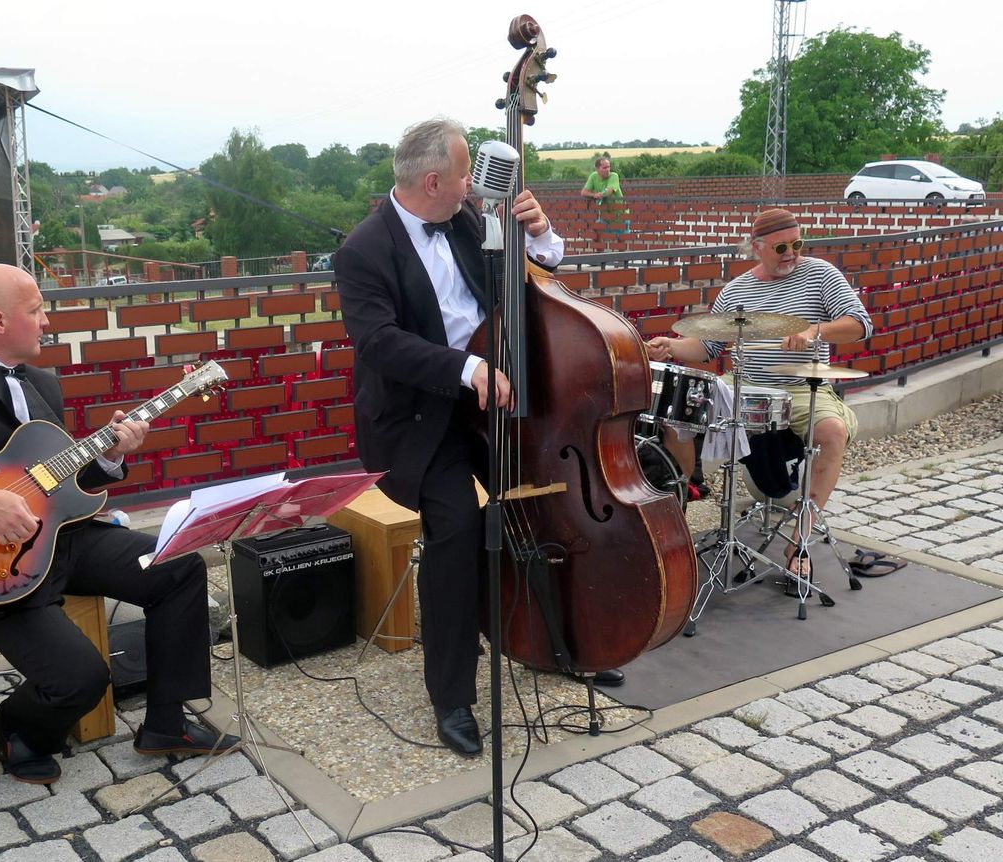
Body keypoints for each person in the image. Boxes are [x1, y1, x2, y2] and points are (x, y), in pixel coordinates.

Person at [0, 263, 236, 785]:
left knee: (179, 566)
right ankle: (18, 727)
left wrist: (109, 457)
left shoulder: (40, 383)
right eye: (36, 310)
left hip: (60, 540)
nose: (47, 322)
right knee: (83, 680)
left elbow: (54, 483)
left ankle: (166, 725)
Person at [336, 118, 620, 758]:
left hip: (496, 401)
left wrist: (538, 233)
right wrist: (466, 369)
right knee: (458, 528)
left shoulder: (466, 217)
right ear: (434, 181)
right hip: (421, 419)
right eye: (465, 174)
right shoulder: (363, 250)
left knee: (541, 510)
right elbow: (380, 344)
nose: (475, 184)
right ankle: (452, 696)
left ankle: (562, 645)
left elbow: (533, 279)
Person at [646, 208, 873, 579]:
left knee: (832, 432)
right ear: (757, 248)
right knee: (678, 418)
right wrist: (670, 347)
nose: (791, 253)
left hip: (801, 386)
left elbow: (860, 324)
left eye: (798, 244)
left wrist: (814, 331)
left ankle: (799, 540)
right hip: (745, 384)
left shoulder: (821, 274)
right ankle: (674, 525)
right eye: (781, 247)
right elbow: (708, 346)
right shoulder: (737, 290)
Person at [580, 157, 628, 236]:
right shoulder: (593, 176)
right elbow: (583, 192)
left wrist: (600, 195)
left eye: (608, 167)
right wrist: (594, 195)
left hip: (620, 216)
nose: (607, 170)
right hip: (605, 216)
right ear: (597, 169)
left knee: (620, 240)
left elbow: (609, 192)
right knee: (597, 234)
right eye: (604, 168)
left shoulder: (614, 176)